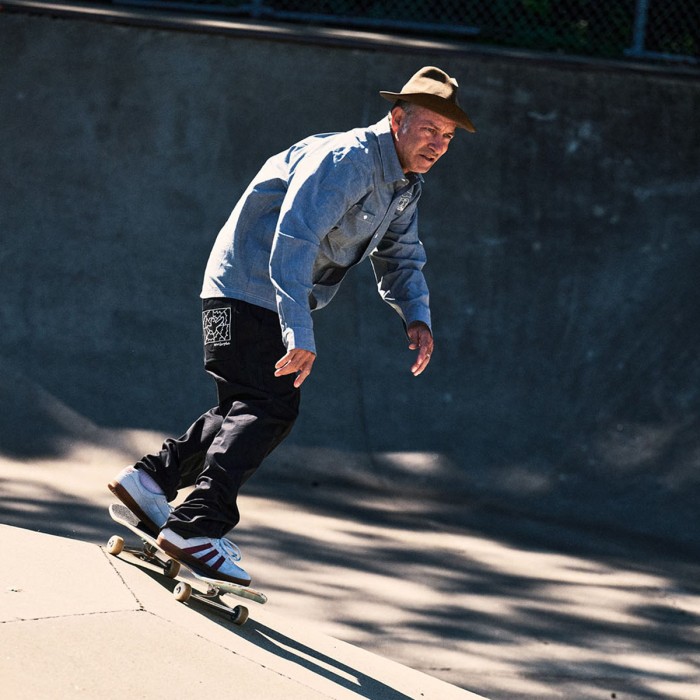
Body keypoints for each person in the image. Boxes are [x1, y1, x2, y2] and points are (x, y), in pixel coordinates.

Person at [108, 66, 476, 586]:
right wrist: (297, 331)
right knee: (270, 406)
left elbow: (401, 255)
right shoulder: (348, 160)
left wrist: (416, 315)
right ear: (397, 119)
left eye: (448, 137)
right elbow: (294, 239)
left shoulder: (403, 185)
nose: (438, 145)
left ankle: (149, 482)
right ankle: (197, 527)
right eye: (429, 129)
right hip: (251, 289)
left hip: (246, 291)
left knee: (246, 404)